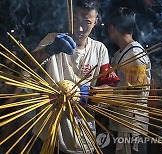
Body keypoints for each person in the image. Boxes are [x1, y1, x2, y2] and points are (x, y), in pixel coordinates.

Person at [25, 0, 119, 153]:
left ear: (96, 20)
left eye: (87, 22)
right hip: (47, 136)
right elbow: (26, 64)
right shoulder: (52, 40)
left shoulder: (99, 49)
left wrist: (87, 94)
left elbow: (109, 90)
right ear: (68, 16)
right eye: (75, 20)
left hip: (82, 138)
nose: (80, 28)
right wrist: (49, 50)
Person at [107, 7, 151, 154]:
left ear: (112, 28)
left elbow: (136, 93)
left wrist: (108, 93)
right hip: (121, 121)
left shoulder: (134, 54)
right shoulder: (121, 53)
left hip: (132, 127)